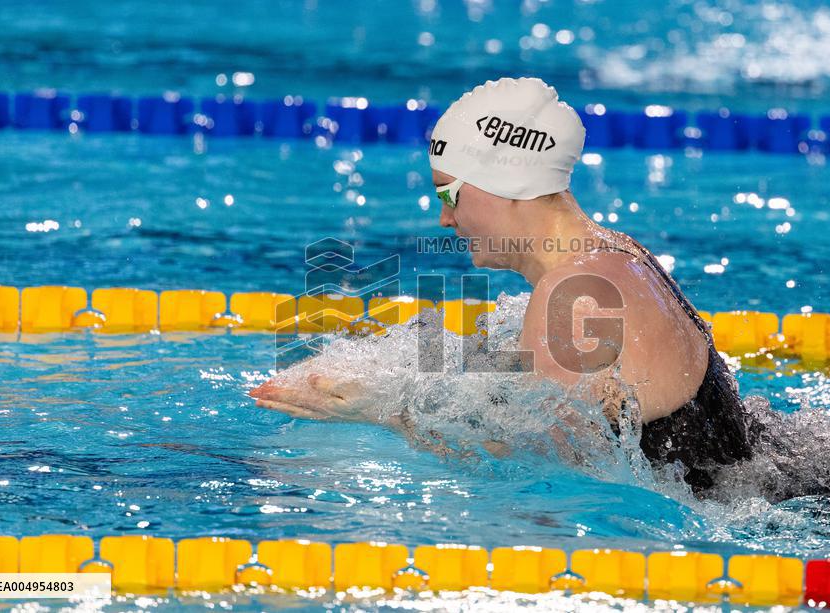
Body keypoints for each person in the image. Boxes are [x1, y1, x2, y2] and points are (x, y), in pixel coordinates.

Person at [251, 77, 755, 494]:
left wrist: (383, 412)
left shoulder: (574, 293)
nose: (445, 218)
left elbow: (549, 474)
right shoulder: (620, 254)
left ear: (506, 182)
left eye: (449, 194)